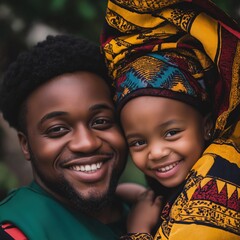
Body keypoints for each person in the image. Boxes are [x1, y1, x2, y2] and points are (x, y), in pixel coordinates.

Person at [101, 0, 240, 239]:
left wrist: (139, 230)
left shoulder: (219, 176)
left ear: (207, 125)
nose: (156, 152)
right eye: (138, 142)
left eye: (171, 133)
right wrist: (142, 195)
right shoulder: (202, 167)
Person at [0, 34, 130, 240]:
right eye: (57, 129)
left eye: (100, 122)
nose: (87, 143)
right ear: (26, 145)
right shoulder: (16, 230)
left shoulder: (156, 211)